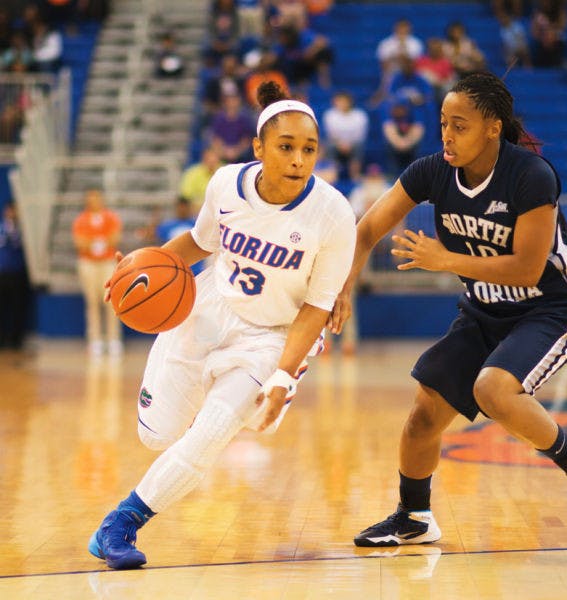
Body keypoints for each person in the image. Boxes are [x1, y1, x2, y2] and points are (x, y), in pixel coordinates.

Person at [327, 71, 567, 547]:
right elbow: (365, 230)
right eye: (443, 123)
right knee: (424, 413)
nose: (447, 135)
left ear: (493, 127)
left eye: (460, 125)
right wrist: (343, 288)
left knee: (493, 389)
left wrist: (444, 259)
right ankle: (414, 516)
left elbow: (529, 269)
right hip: (483, 309)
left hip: (550, 306)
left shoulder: (531, 175)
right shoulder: (431, 171)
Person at [88, 81, 356, 570]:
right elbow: (198, 242)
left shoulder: (334, 214)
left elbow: (316, 309)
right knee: (156, 436)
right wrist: (142, 269)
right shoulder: (225, 184)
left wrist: (282, 374)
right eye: (286, 147)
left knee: (212, 434)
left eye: (309, 149)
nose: (299, 159)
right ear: (258, 148)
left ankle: (118, 525)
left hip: (273, 336)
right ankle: (203, 410)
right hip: (209, 308)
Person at [72, 189, 123, 357]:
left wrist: (94, 241)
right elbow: (80, 243)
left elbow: (115, 238)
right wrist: (100, 241)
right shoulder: (81, 220)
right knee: (92, 302)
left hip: (107, 262)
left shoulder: (110, 217)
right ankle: (95, 341)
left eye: (96, 198)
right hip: (88, 263)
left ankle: (113, 340)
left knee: (110, 302)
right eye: (90, 198)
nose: (93, 201)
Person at [0, 201, 30, 349]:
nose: (12, 213)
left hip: (17, 273)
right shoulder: (1, 229)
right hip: (2, 273)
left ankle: (15, 340)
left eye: (14, 211)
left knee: (17, 307)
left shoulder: (22, 230)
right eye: (10, 210)